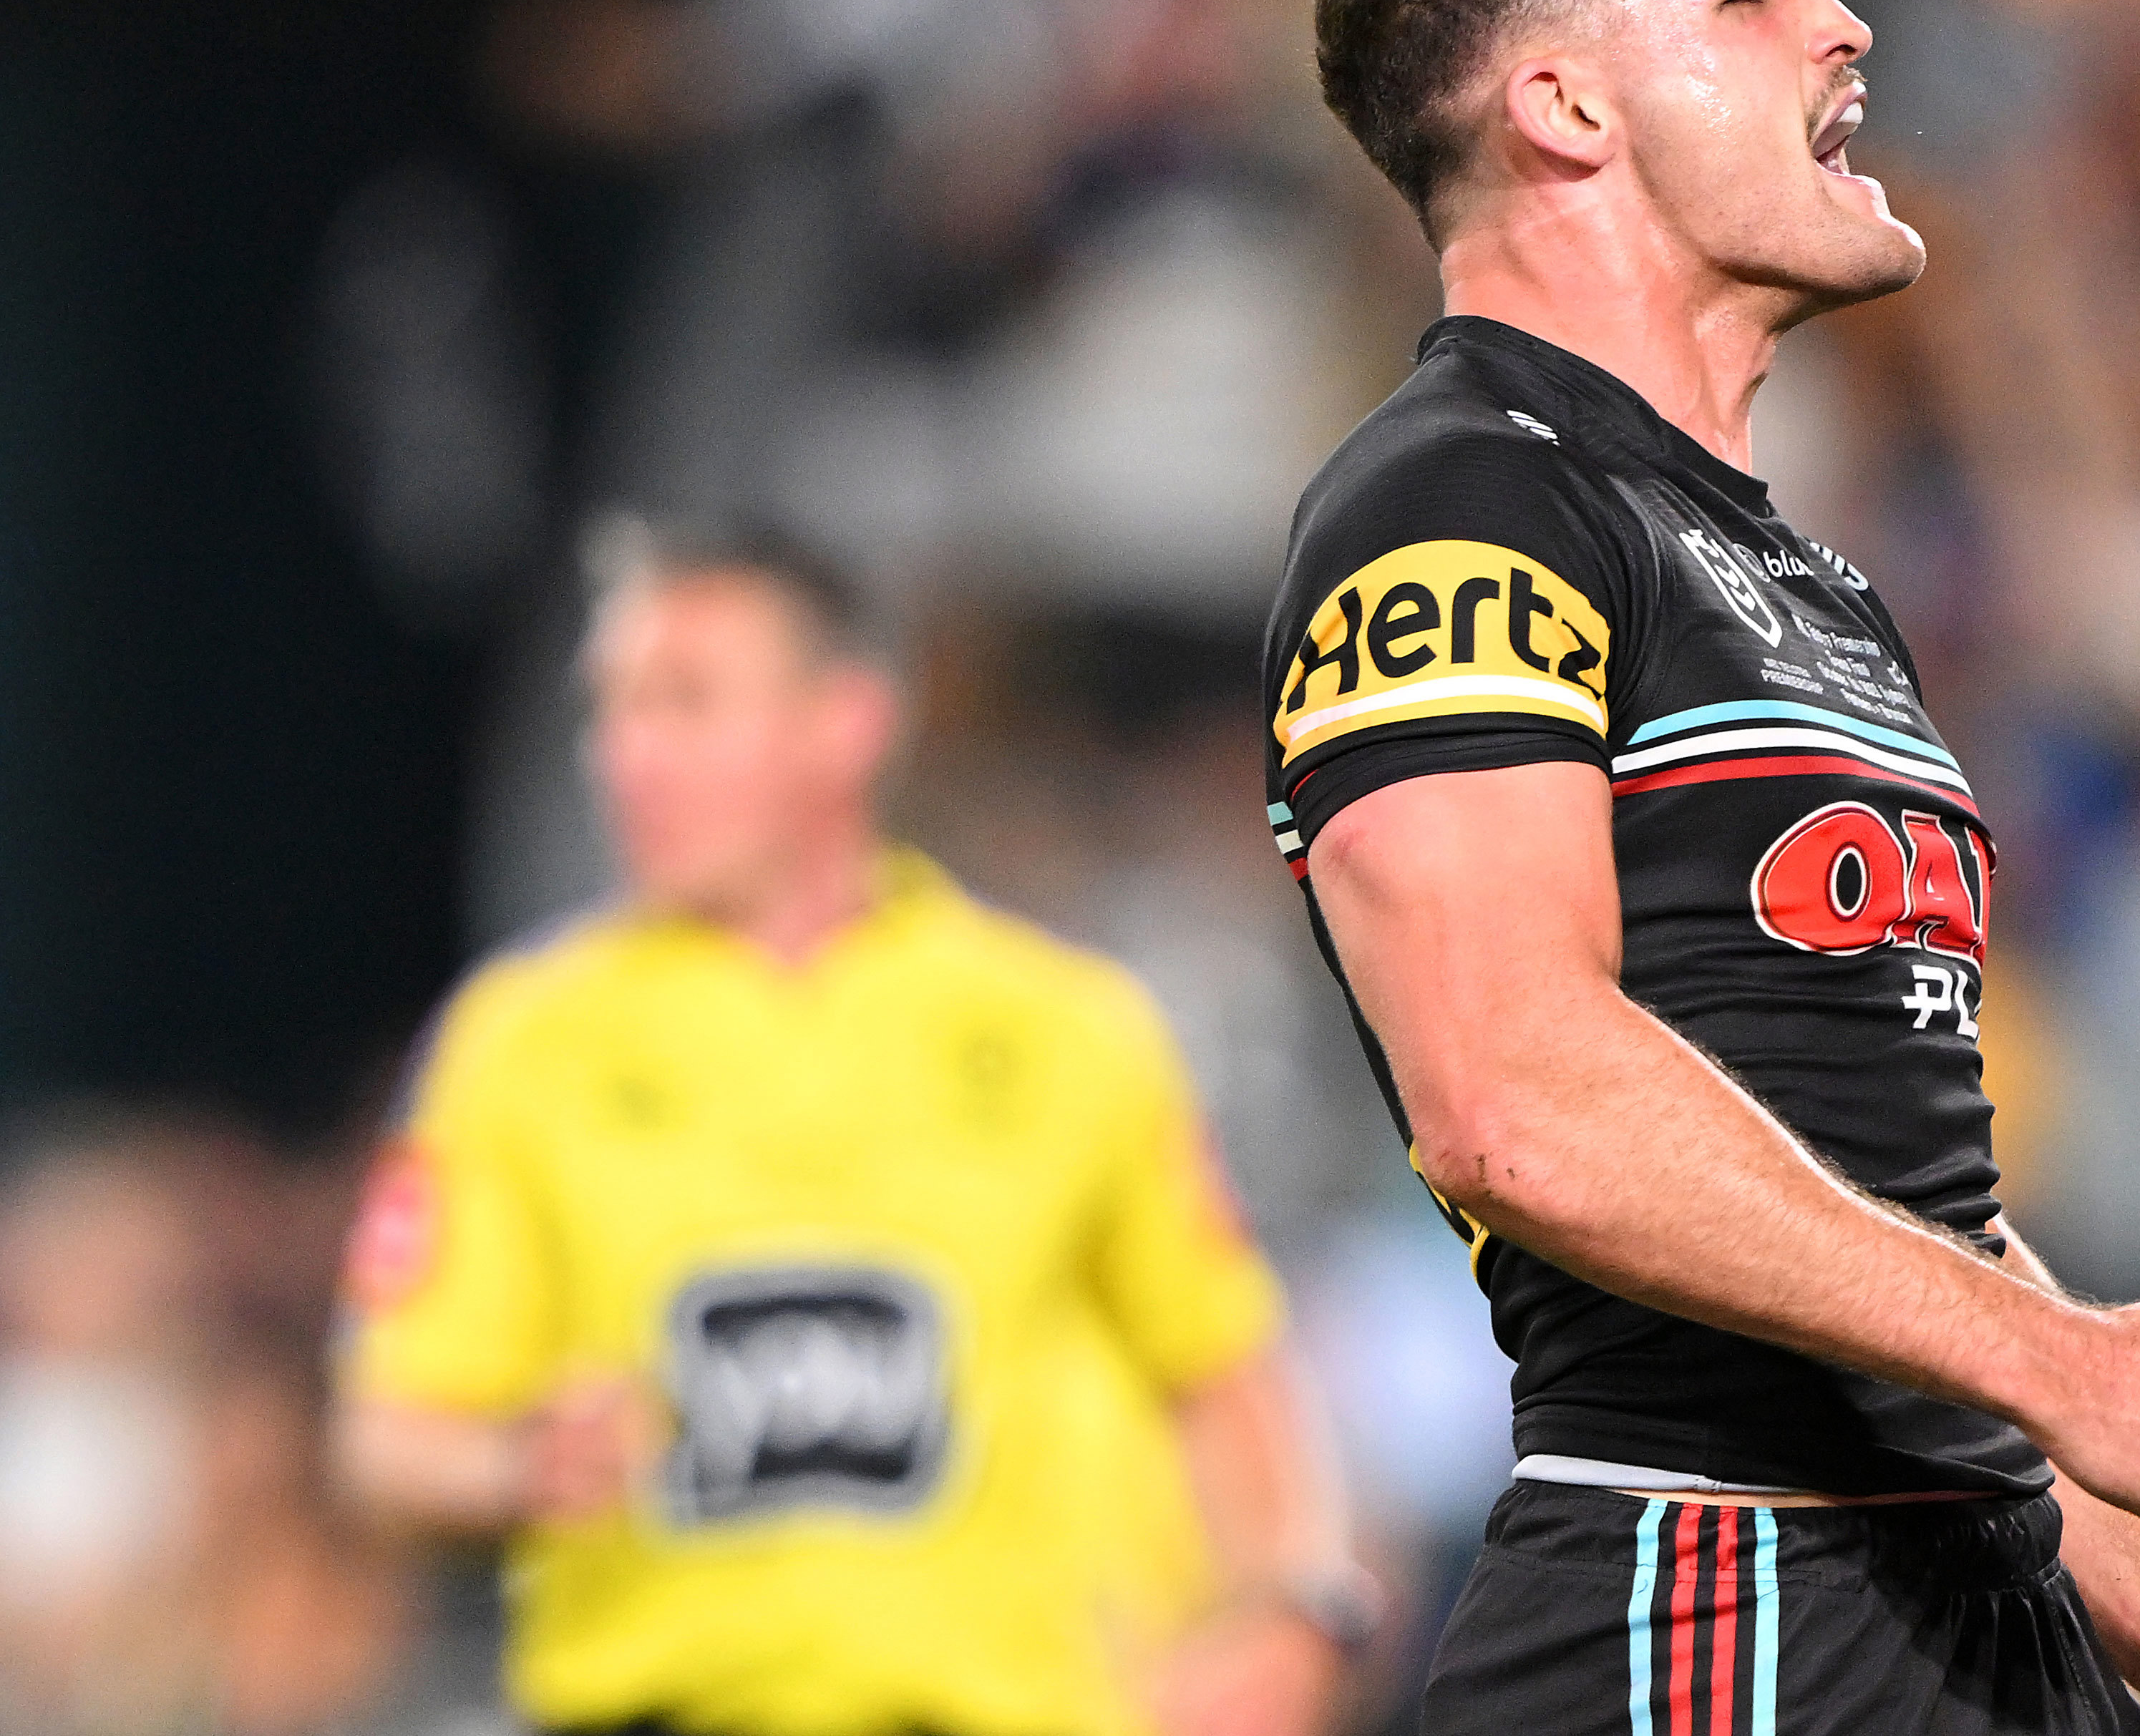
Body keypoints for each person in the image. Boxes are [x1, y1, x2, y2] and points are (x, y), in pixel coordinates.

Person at [1272, 0, 2140, 1735]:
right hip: (1713, 1603)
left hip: (1969, 1612)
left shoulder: (1808, 578)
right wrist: (2054, 1360)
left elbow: (1892, 1212)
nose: (1845, 22)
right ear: (1565, 108)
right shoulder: (1453, 507)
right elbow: (1515, 1098)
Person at [331, 522, 1371, 1736]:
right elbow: (387, 1433)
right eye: (610, 711)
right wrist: (515, 1464)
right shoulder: (521, 1043)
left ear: (847, 723)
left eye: (686, 704)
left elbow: (1222, 1370)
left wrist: (1297, 1605)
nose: (626, 757)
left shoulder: (1060, 1029)